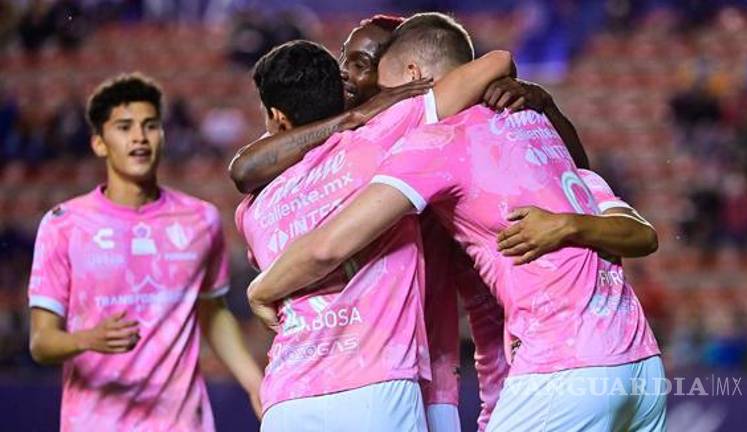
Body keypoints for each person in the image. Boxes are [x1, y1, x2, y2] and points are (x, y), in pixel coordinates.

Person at [247, 14, 666, 432]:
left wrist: (263, 288)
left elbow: (329, 246)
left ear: (414, 76)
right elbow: (623, 216)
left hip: (561, 360)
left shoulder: (435, 144)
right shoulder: (533, 121)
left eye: (385, 85)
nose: (383, 100)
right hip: (639, 361)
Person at [237, 15, 524, 427]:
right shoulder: (381, 139)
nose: (350, 75)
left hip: (288, 393)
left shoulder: (252, 208)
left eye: (359, 64)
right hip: (379, 383)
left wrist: (261, 290)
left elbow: (244, 170)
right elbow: (494, 62)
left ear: (278, 120)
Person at [27, 73, 263, 431]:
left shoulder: (201, 219)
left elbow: (212, 311)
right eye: (124, 127)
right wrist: (87, 339)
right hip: (95, 422)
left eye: (150, 125)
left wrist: (254, 383)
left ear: (163, 136)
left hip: (181, 422)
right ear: (99, 143)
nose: (139, 137)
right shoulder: (63, 225)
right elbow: (41, 342)